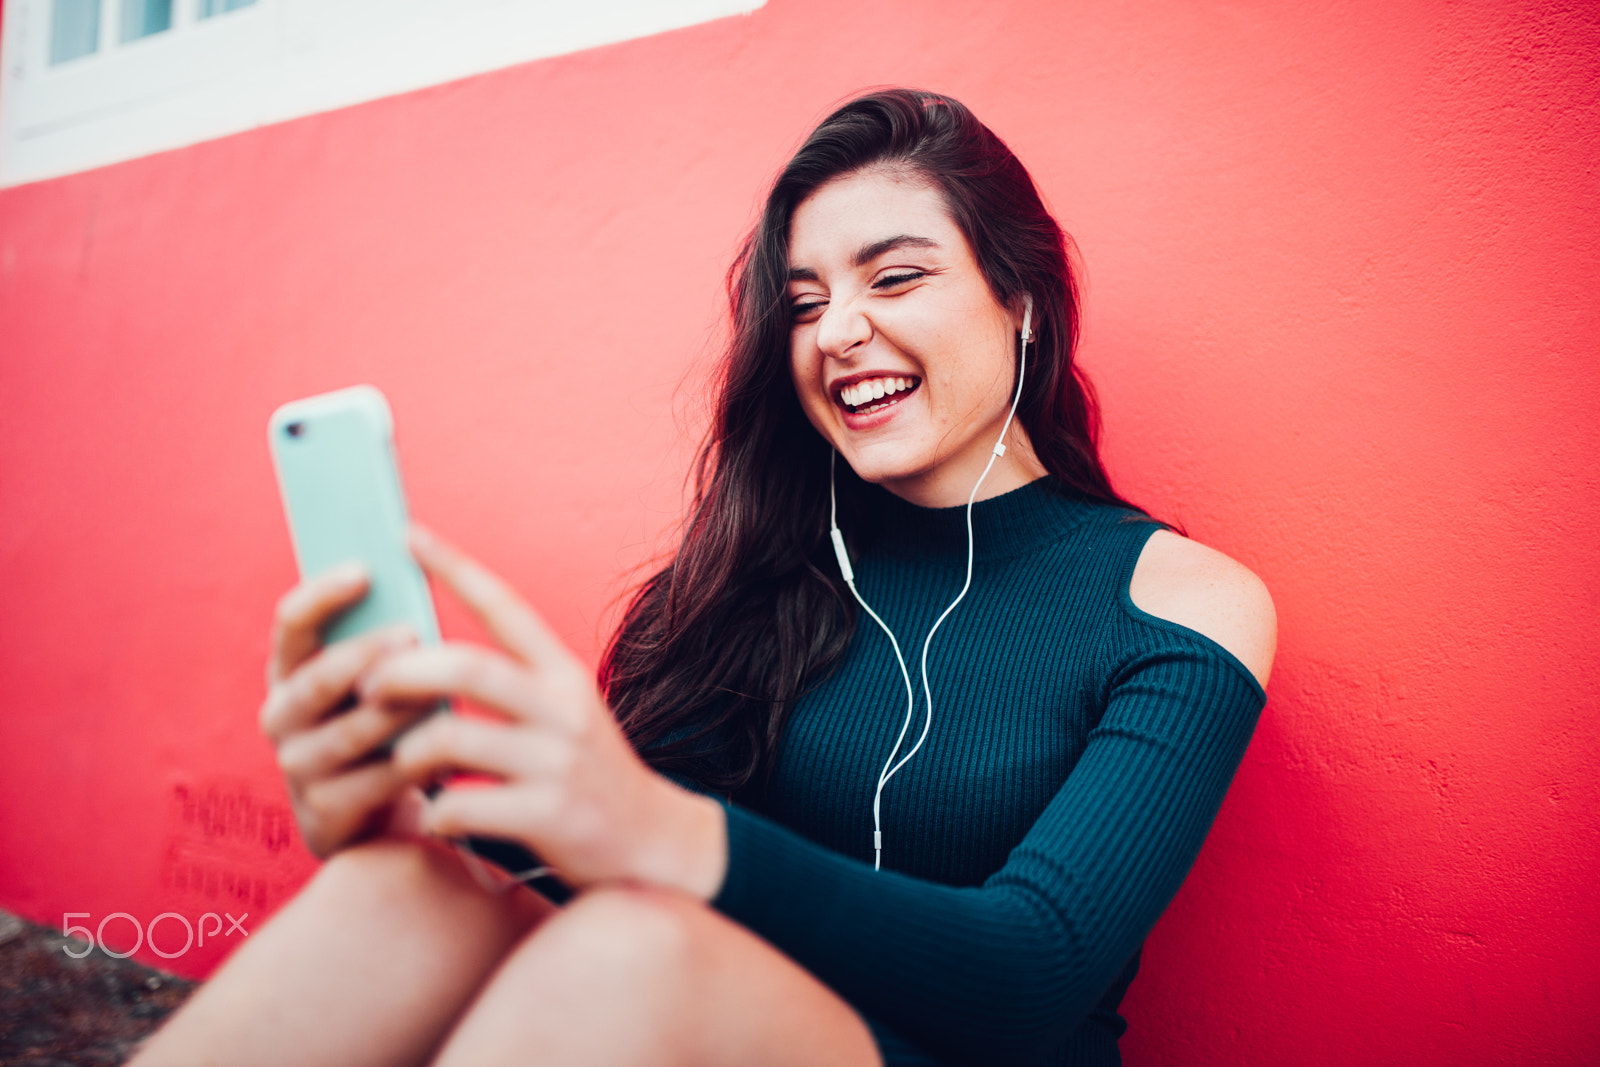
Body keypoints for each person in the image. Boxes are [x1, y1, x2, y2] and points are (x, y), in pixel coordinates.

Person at [133, 89, 1275, 1067]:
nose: (839, 332)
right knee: (416, 888)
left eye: (897, 276)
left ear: (1017, 299)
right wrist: (406, 820)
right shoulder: (755, 574)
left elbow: (1034, 974)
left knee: (637, 944)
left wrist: (670, 835)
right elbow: (586, 862)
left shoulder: (1179, 599)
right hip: (697, 1020)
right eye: (809, 301)